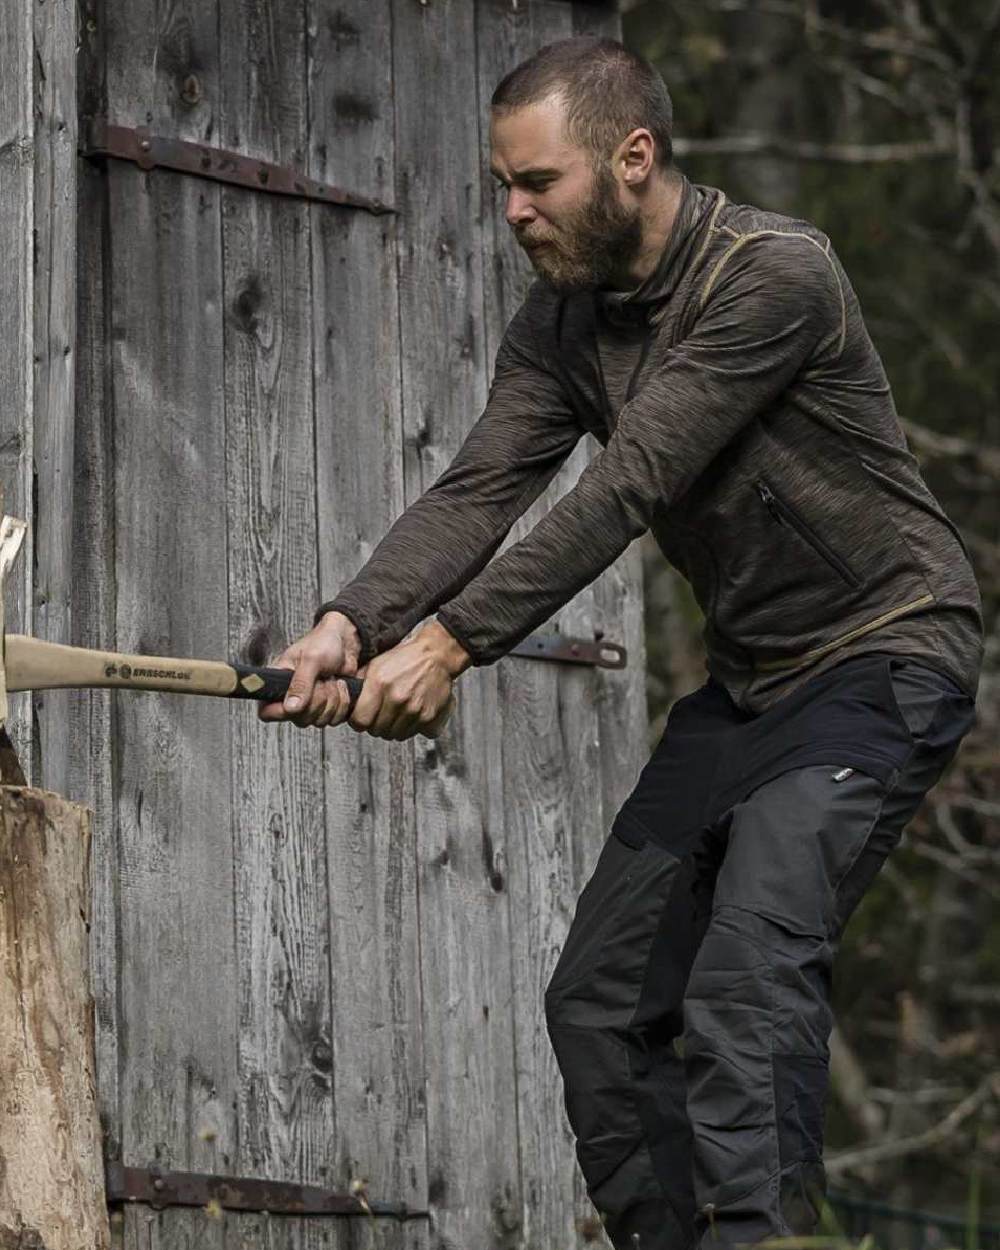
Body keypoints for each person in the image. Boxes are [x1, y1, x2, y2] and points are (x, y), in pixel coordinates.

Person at [259, 34, 983, 1250]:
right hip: (750, 689)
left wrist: (447, 645)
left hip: (882, 655)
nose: (512, 210)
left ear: (632, 158)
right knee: (596, 1005)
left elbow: (631, 482)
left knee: (747, 981)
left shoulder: (773, 275)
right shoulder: (561, 325)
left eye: (537, 182)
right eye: (503, 184)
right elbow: (476, 492)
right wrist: (350, 622)